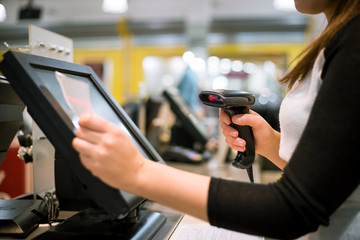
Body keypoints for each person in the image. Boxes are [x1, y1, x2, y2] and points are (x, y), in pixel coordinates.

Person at [72, 0, 360, 239]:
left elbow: (294, 209)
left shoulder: (354, 38)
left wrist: (138, 172)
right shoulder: (338, 36)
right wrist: (271, 143)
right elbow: (334, 173)